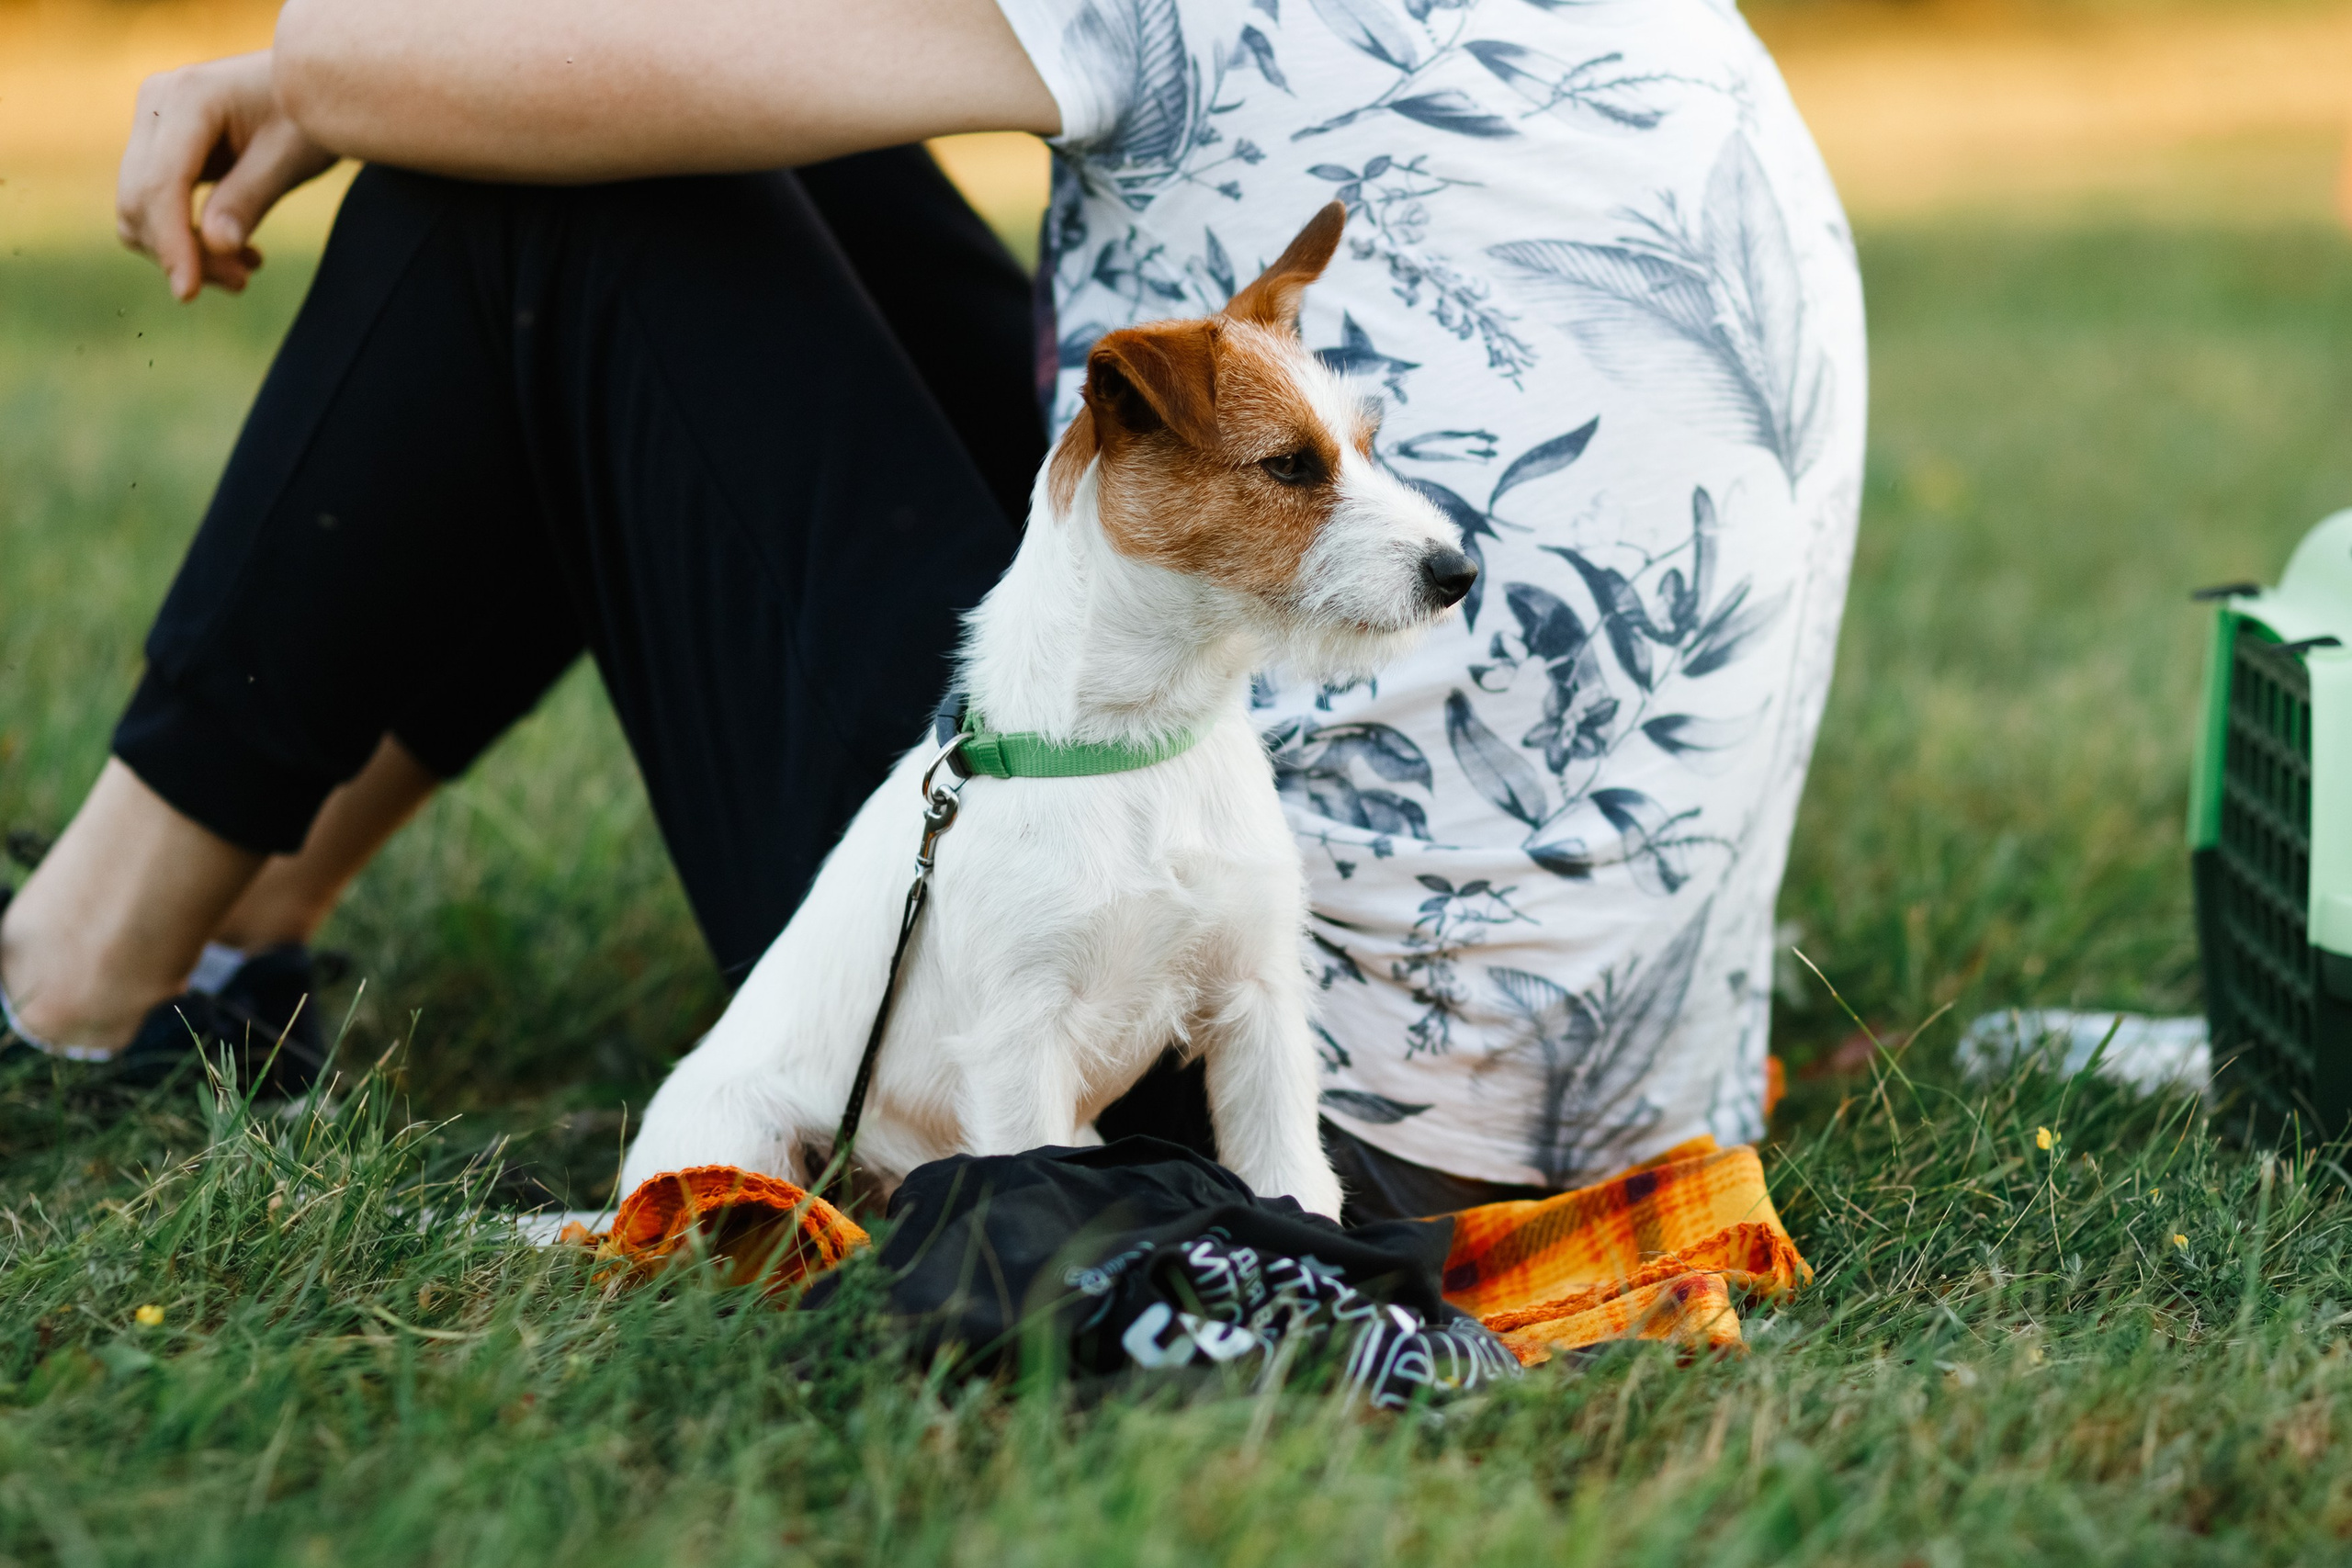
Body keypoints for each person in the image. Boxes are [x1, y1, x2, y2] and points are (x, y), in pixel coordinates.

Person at [0, 0, 1864, 1221]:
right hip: (1603, 1079)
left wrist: (292, 65)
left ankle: (75, 975)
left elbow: (458, 60)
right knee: (747, 151)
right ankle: (259, 894)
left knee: (529, 191)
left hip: (1205, 1062)